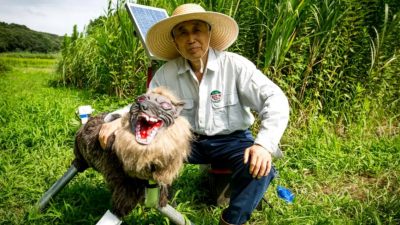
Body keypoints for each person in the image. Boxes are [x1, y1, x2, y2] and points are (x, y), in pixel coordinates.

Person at [99, 3, 289, 225]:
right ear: (175, 40)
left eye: (197, 29)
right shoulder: (167, 73)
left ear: (209, 33)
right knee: (139, 150)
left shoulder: (235, 66)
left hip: (233, 139)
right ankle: (140, 202)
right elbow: (148, 106)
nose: (191, 38)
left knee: (260, 168)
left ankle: (231, 221)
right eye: (182, 32)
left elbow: (275, 98)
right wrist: (118, 121)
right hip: (189, 142)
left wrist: (263, 145)